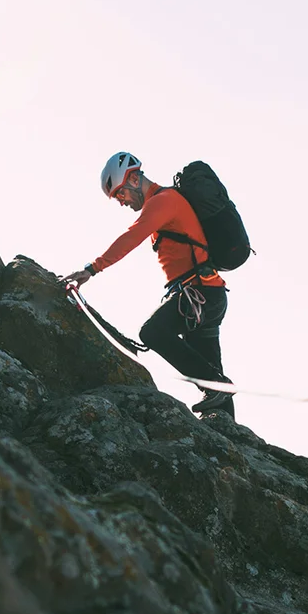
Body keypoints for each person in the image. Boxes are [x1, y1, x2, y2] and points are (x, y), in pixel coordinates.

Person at [63, 152, 235, 418]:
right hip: (207, 295)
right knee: (212, 375)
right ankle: (227, 428)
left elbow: (131, 237)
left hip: (199, 294)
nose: (122, 202)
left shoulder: (163, 201)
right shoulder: (165, 202)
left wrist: (91, 269)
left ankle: (217, 388)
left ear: (134, 179)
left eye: (120, 194)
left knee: (152, 332)